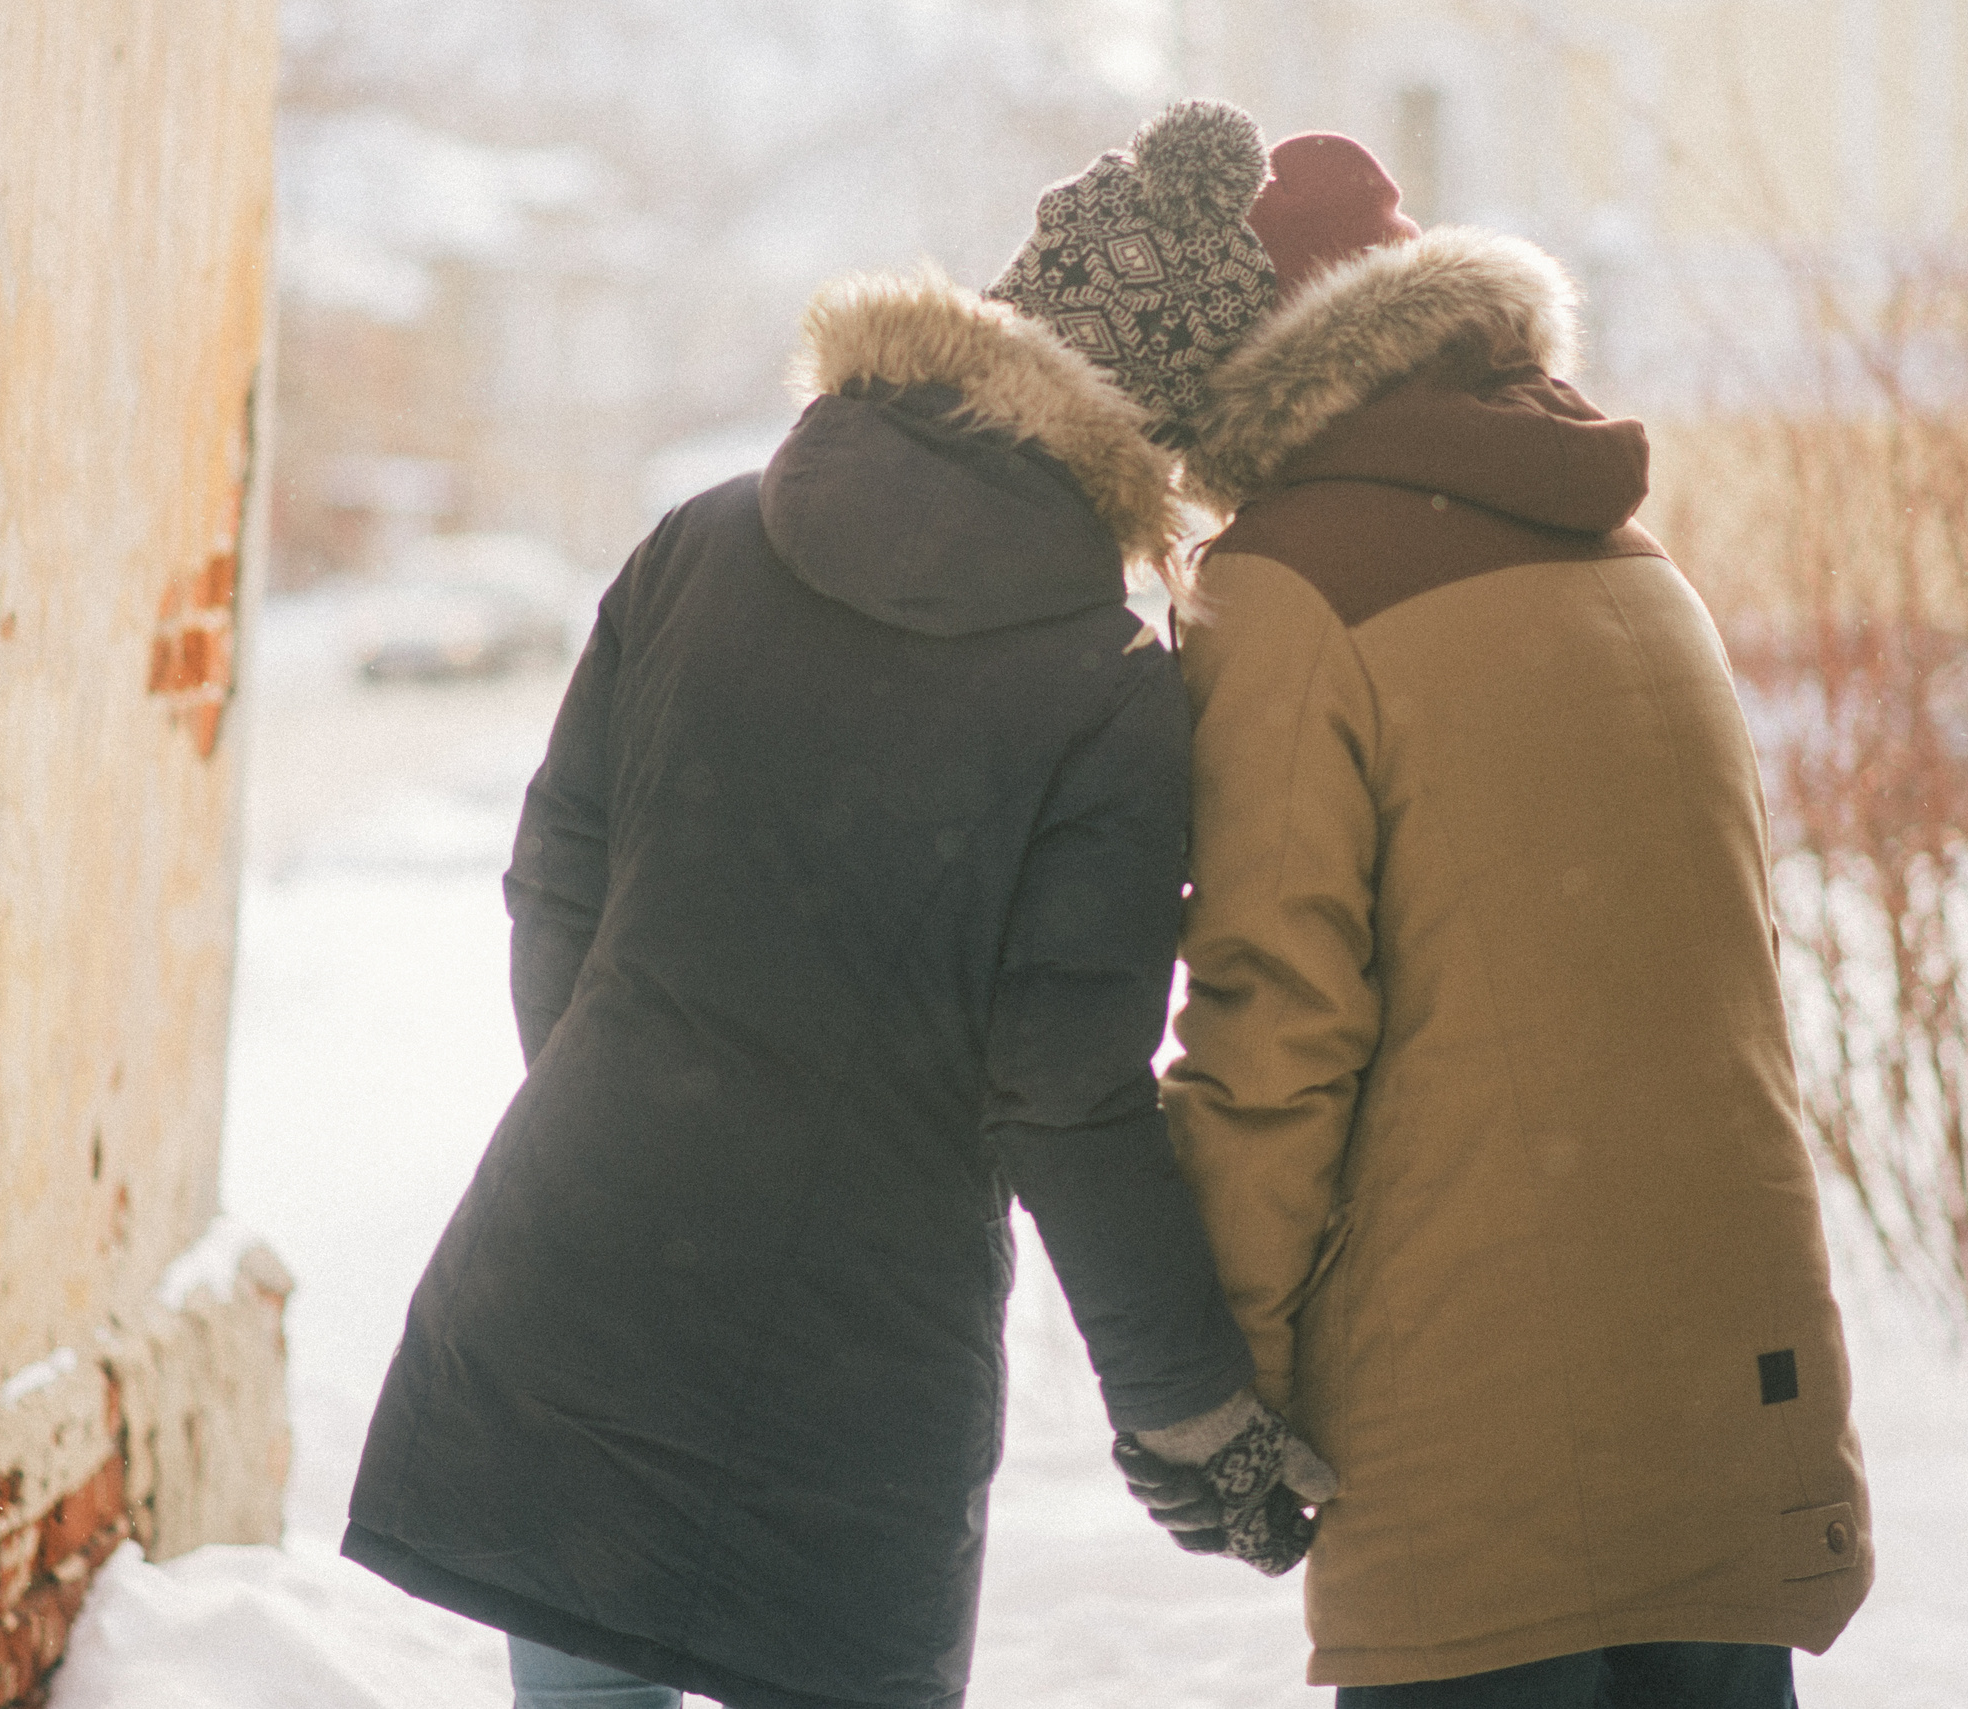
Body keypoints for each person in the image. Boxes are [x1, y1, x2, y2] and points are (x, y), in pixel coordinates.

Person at [341, 101, 1332, 1709]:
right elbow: (1063, 1091)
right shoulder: (1105, 687)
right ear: (1149, 431)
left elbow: (554, 885)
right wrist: (1190, 1406)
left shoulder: (704, 539)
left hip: (571, 1288)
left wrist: (639, 1122)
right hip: (849, 1387)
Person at [1148, 133, 1876, 1706]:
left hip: (1475, 1427)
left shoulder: (1291, 584)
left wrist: (1216, 1395)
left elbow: (1275, 1030)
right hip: (1725, 1391)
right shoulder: (1634, 555)